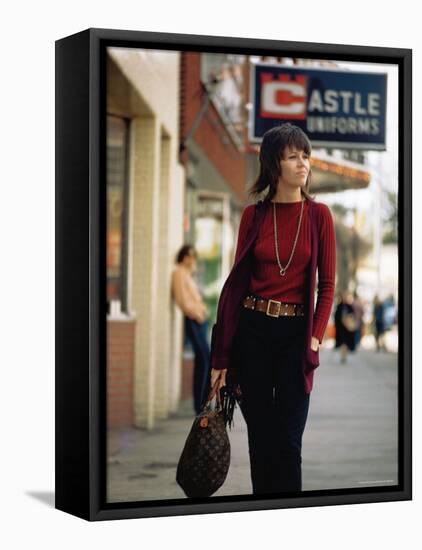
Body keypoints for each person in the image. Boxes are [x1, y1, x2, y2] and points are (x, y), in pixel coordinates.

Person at [209, 123, 336, 495]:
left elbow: (327, 285)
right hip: (253, 334)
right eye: (293, 156)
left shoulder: (319, 216)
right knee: (262, 441)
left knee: (288, 442)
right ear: (273, 164)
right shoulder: (254, 216)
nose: (303, 163)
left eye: (306, 155)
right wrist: (222, 355)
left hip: (295, 337)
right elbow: (235, 288)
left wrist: (314, 337)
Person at [171, 245, 210, 415]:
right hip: (192, 319)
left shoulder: (187, 273)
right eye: (191, 256)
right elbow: (181, 300)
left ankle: (201, 402)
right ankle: (199, 404)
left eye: (195, 256)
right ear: (184, 256)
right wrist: (196, 313)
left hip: (199, 319)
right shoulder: (179, 273)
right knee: (203, 357)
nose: (193, 259)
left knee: (205, 359)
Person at [334, 290, 357, 363]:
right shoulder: (339, 306)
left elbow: (353, 316)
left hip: (347, 329)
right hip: (341, 328)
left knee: (346, 343)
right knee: (342, 342)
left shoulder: (349, 306)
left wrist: (349, 319)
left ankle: (344, 355)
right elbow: (336, 317)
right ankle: (343, 356)